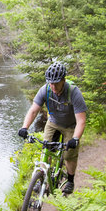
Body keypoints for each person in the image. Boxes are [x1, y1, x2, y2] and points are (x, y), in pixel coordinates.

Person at [17, 61, 87, 195]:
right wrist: (24, 127)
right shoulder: (46, 90)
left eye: (56, 83)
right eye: (51, 83)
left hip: (71, 125)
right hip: (53, 122)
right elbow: (33, 111)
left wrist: (75, 138)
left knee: (68, 155)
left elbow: (81, 120)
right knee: (46, 148)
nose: (53, 86)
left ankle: (70, 181)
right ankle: (42, 179)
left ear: (63, 80)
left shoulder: (73, 92)